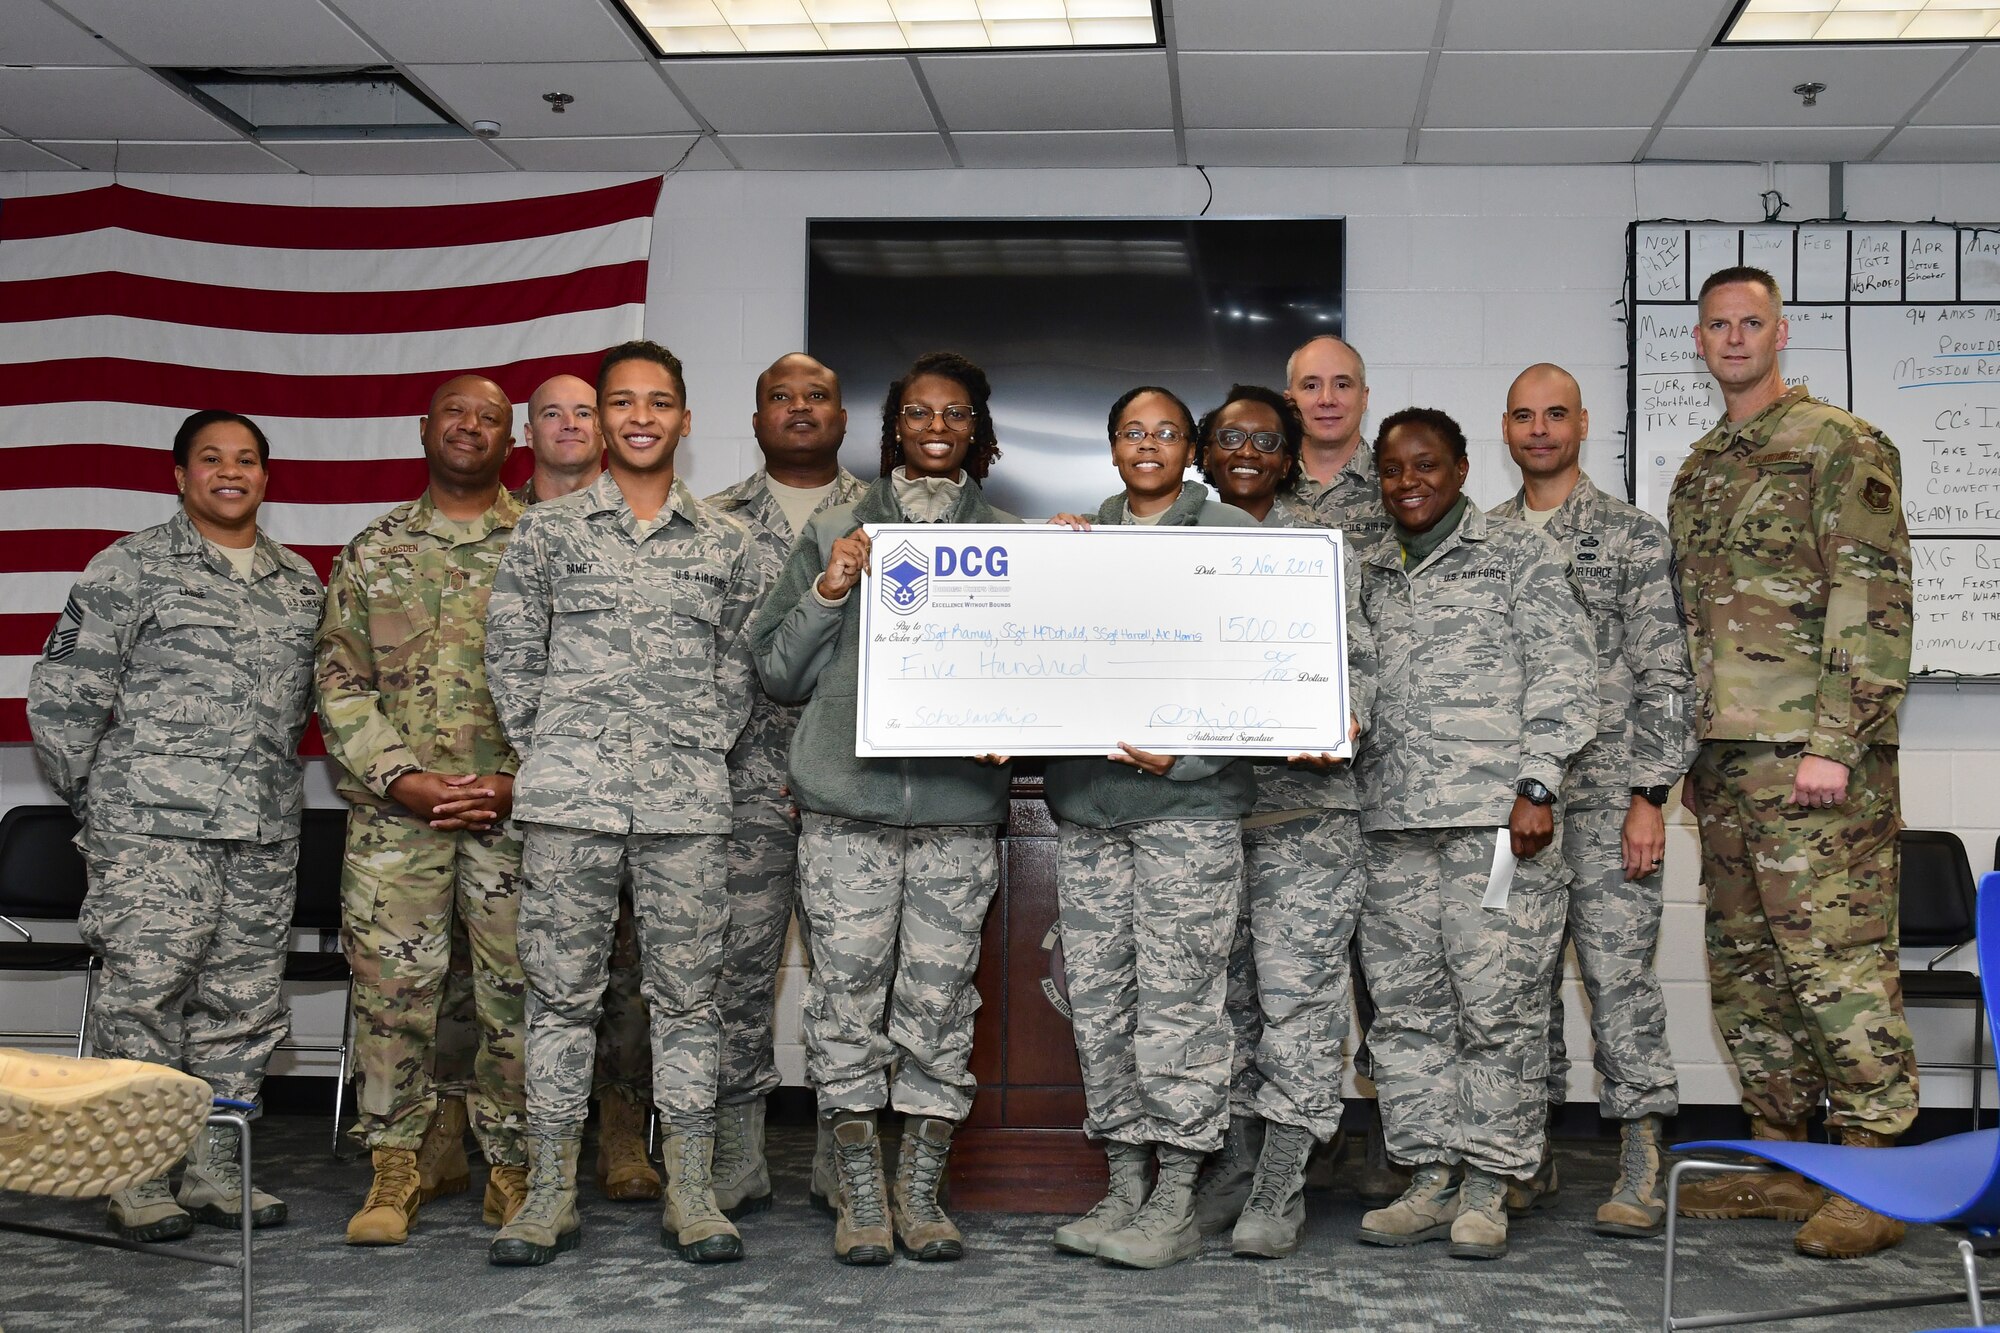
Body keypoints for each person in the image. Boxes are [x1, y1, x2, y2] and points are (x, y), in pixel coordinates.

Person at [485, 340, 763, 1267]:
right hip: (570, 805)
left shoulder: (730, 544)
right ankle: (551, 1190)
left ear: (685, 419)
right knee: (559, 1003)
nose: (641, 417)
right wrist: (563, 753)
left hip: (686, 806)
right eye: (622, 403)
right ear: (599, 421)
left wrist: (688, 750)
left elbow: (740, 672)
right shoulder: (547, 533)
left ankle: (689, 1188)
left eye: (660, 402)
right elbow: (513, 662)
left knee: (689, 1004)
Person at [1668, 265, 1918, 1260]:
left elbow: (1870, 598)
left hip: (1811, 765)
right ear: (1698, 341)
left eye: (1749, 323)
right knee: (1747, 974)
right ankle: (1783, 1160)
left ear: (1780, 333)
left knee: (1835, 967)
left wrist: (1834, 741)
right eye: (1716, 325)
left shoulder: (1834, 444)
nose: (1732, 338)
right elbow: (1691, 624)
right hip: (1725, 764)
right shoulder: (1701, 465)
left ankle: (1876, 1170)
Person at [27, 410, 323, 1243]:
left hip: (261, 833)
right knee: (144, 998)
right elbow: (62, 700)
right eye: (211, 459)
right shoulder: (131, 568)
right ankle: (137, 1174)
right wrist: (109, 808)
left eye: (247, 460)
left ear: (266, 476)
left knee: (243, 1005)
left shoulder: (299, 582)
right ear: (180, 475)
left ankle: (213, 1167)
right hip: (151, 836)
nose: (230, 473)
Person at [752, 350, 1020, 1266]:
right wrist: (832, 588)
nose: (936, 426)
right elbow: (777, 671)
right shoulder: (838, 526)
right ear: (895, 427)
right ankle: (860, 1197)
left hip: (955, 814)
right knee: (845, 1005)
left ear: (977, 431)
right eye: (917, 412)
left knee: (941, 1006)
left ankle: (920, 1194)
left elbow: (1045, 675)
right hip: (848, 813)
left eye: (954, 413)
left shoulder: (1016, 542)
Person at [1353, 407, 1595, 1261]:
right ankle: (1428, 1172)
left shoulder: (1517, 554)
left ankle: (1489, 1184)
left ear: (1460, 469)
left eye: (1425, 466)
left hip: (1497, 826)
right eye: (1392, 469)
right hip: (1391, 824)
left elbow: (1567, 674)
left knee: (1498, 1008)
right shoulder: (1366, 570)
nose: (1408, 482)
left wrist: (1538, 784)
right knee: (1408, 1010)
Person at [425, 372, 662, 1206]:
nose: (571, 426)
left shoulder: (640, 524)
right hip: (494, 788)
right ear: (528, 432)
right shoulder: (491, 523)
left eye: (585, 412)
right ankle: (459, 1127)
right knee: (478, 969)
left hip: (612, 790)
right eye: (551, 414)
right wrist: (522, 767)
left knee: (626, 963)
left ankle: (623, 1125)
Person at [1041, 387, 1258, 1271]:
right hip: (1092, 815)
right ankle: (1125, 1180)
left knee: (1179, 1010)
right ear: (1112, 445)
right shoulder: (1073, 540)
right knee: (1101, 1008)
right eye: (1133, 430)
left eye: (1167, 432)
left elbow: (1264, 677)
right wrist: (1037, 570)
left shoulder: (1236, 539)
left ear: (1191, 448)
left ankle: (1177, 1194)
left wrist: (1192, 758)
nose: (1149, 444)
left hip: (1187, 817)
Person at [317, 375, 531, 1247]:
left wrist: (521, 779)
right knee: (393, 995)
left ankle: (518, 1164)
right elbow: (337, 678)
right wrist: (402, 776)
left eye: (489, 417)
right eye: (456, 413)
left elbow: (579, 682)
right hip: (394, 818)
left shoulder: (542, 544)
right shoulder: (374, 549)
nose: (470, 427)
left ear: (509, 441)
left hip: (513, 815)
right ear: (424, 429)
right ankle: (394, 1163)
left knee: (518, 995)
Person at [1491, 363, 1696, 1237]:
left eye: (1556, 415)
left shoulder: (1629, 535)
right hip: (1516, 807)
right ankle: (1525, 1156)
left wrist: (1652, 795)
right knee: (1514, 982)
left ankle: (1642, 1158)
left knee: (1619, 980)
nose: (1540, 429)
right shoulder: (1482, 538)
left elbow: (1668, 676)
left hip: (1611, 799)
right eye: (1525, 416)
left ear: (1581, 426)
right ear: (1505, 428)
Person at [1187, 384, 1375, 1258]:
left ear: (1291, 456)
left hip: (1306, 813)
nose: (1249, 452)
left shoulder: (1319, 551)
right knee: (1220, 1004)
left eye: (1267, 439)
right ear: (1205, 452)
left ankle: (1281, 1178)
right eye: (1231, 438)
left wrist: (1346, 715)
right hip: (1201, 814)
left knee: (1299, 1002)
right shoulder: (1168, 546)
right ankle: (1232, 1159)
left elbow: (1359, 658)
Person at [702, 353, 867, 1216]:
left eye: (818, 395)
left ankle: (846, 1154)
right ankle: (737, 1147)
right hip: (742, 784)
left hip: (850, 780)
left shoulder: (885, 520)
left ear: (844, 418)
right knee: (735, 971)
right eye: (781, 397)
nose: (800, 408)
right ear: (757, 416)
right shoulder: (713, 521)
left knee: (850, 977)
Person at [1282, 334, 1400, 1205]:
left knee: (1394, 977)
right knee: (1296, 980)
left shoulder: (1401, 484)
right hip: (1290, 787)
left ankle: (1406, 1146)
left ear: (1365, 393)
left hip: (1397, 768)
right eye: (1310, 385)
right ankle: (1299, 1145)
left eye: (1342, 384)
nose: (1327, 398)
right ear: (1290, 397)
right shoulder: (1252, 489)